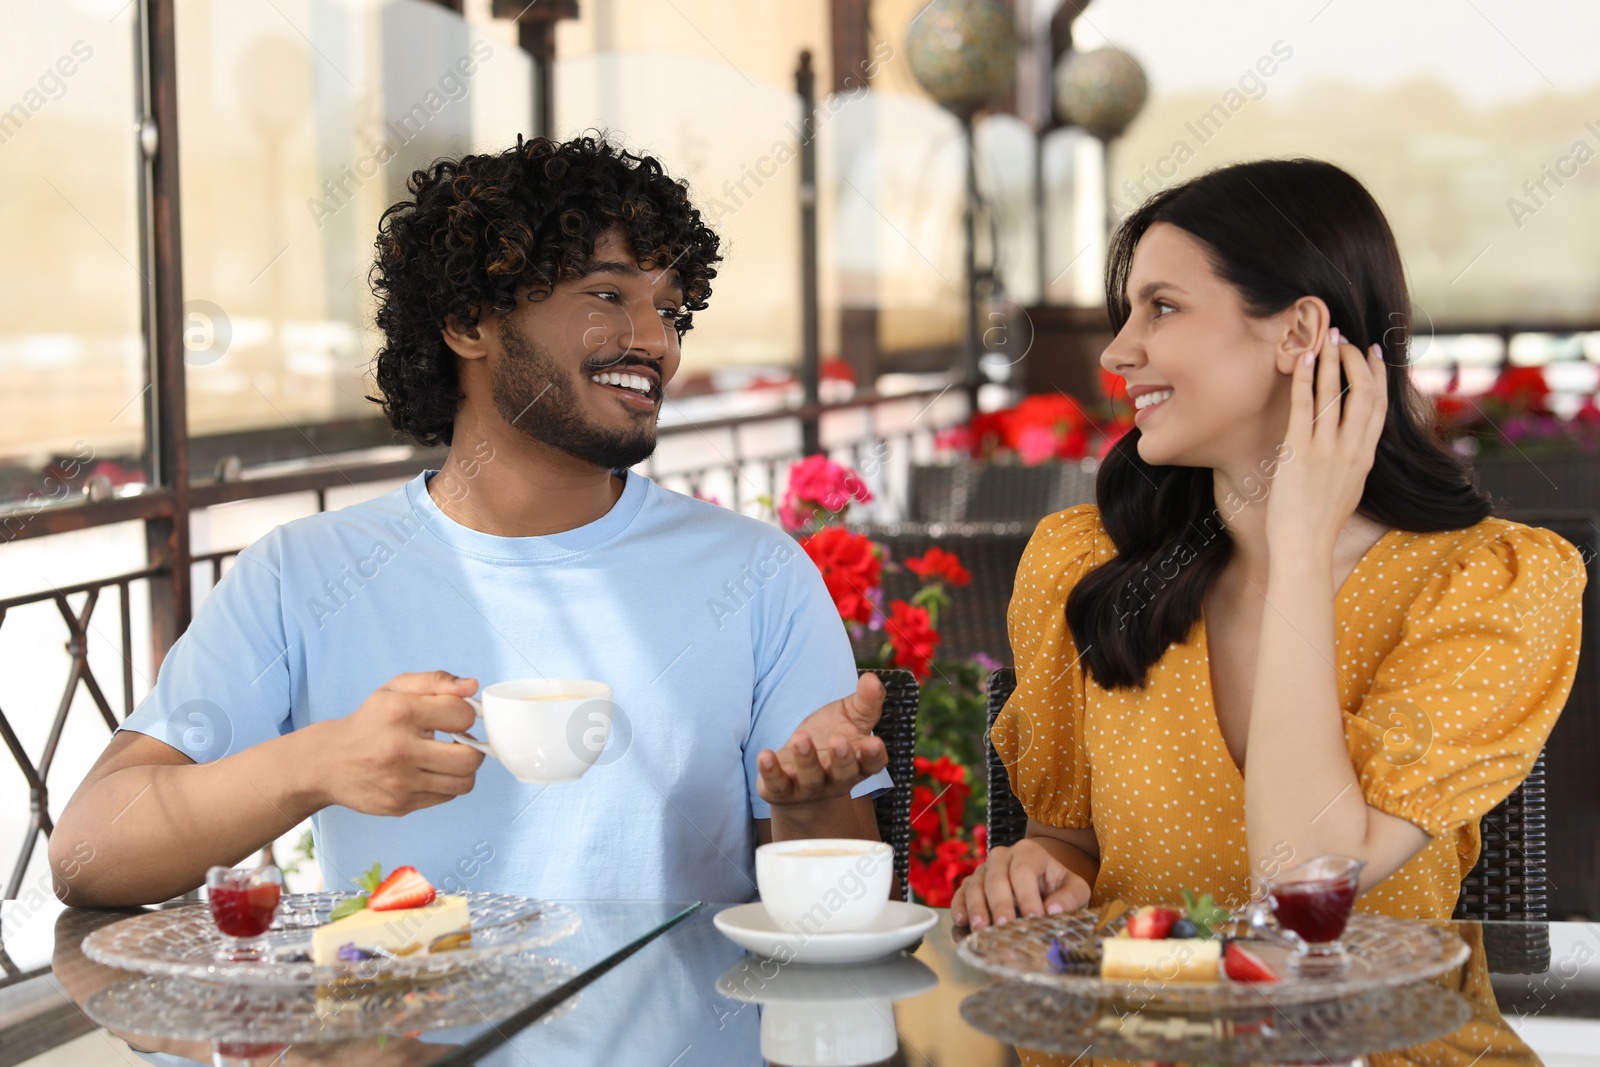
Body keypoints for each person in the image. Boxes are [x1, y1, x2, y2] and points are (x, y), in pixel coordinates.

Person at [51, 135, 892, 907]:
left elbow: (837, 920)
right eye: (608, 294)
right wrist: (316, 762)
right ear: (468, 322)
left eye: (670, 310)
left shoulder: (755, 573)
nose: (658, 344)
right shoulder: (303, 573)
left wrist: (812, 806)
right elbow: (89, 851)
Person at [952, 158, 1584, 927]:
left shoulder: (1489, 582)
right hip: (1138, 1035)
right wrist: (1035, 869)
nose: (1116, 352)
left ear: (1299, 331)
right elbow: (1071, 846)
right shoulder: (1086, 562)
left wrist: (1299, 548)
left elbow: (1307, 885)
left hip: (1376, 1045)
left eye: (1162, 308)